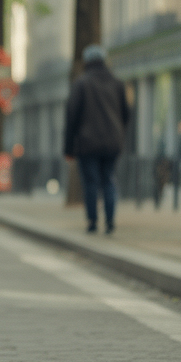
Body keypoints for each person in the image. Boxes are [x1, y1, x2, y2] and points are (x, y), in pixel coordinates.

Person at [64, 44, 130, 234]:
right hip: (112, 142)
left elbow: (72, 117)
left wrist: (69, 148)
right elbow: (126, 114)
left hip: (88, 143)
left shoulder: (81, 84)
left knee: (91, 182)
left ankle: (92, 222)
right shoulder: (117, 83)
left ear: (87, 62)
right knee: (109, 179)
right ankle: (110, 221)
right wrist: (119, 133)